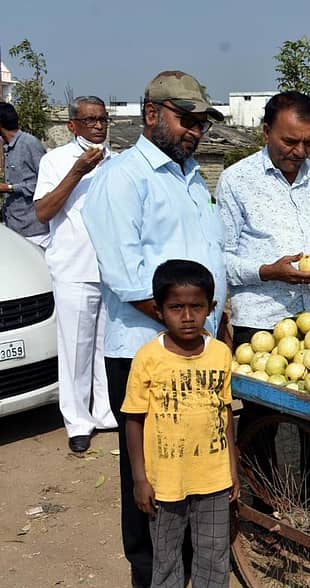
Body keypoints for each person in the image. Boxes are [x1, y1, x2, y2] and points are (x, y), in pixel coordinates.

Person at [83, 70, 226, 588]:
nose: (195, 131)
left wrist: (211, 330)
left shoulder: (191, 178)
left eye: (201, 123)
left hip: (195, 350)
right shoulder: (122, 179)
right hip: (145, 351)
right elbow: (126, 276)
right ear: (151, 114)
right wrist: (188, 332)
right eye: (186, 119)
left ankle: (185, 572)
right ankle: (149, 576)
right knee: (147, 478)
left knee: (191, 466)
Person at [123, 259, 238, 588]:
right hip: (165, 483)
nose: (187, 317)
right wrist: (140, 479)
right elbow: (133, 420)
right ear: (158, 311)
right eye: (176, 307)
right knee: (167, 558)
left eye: (196, 307)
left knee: (214, 556)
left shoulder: (220, 354)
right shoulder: (148, 357)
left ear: (211, 308)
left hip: (214, 479)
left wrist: (233, 468)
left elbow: (225, 412)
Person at [216, 90, 310, 346]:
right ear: (267, 133)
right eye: (289, 141)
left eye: (308, 142)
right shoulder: (236, 180)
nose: (300, 151)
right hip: (262, 326)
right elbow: (221, 260)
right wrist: (268, 272)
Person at [33, 96, 117, 453]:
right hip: (74, 267)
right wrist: (77, 171)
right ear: (73, 126)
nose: (98, 126)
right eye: (90, 120)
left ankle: (105, 412)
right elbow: (43, 212)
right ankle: (78, 422)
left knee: (106, 346)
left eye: (102, 120)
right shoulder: (55, 161)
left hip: (110, 269)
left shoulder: (117, 161)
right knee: (75, 350)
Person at [0, 102, 49, 247]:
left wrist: (9, 188)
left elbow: (44, 183)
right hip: (14, 226)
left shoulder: (29, 144)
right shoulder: (8, 147)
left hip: (34, 232)